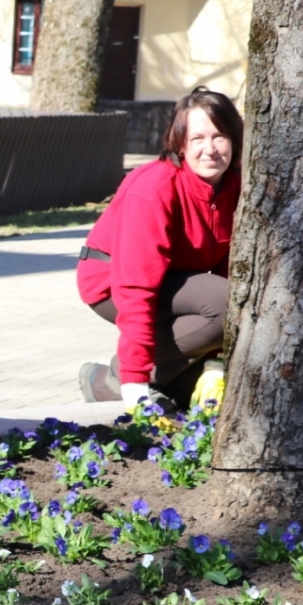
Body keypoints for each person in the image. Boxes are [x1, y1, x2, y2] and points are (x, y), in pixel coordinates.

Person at [76, 87, 243, 411]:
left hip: (174, 278)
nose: (209, 149)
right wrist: (135, 380)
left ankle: (167, 379)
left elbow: (232, 269)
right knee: (227, 303)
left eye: (219, 136)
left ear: (234, 140)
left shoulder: (236, 186)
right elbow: (136, 287)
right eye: (197, 139)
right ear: (180, 144)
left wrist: (214, 360)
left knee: (234, 301)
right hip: (112, 282)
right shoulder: (153, 189)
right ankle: (113, 377)